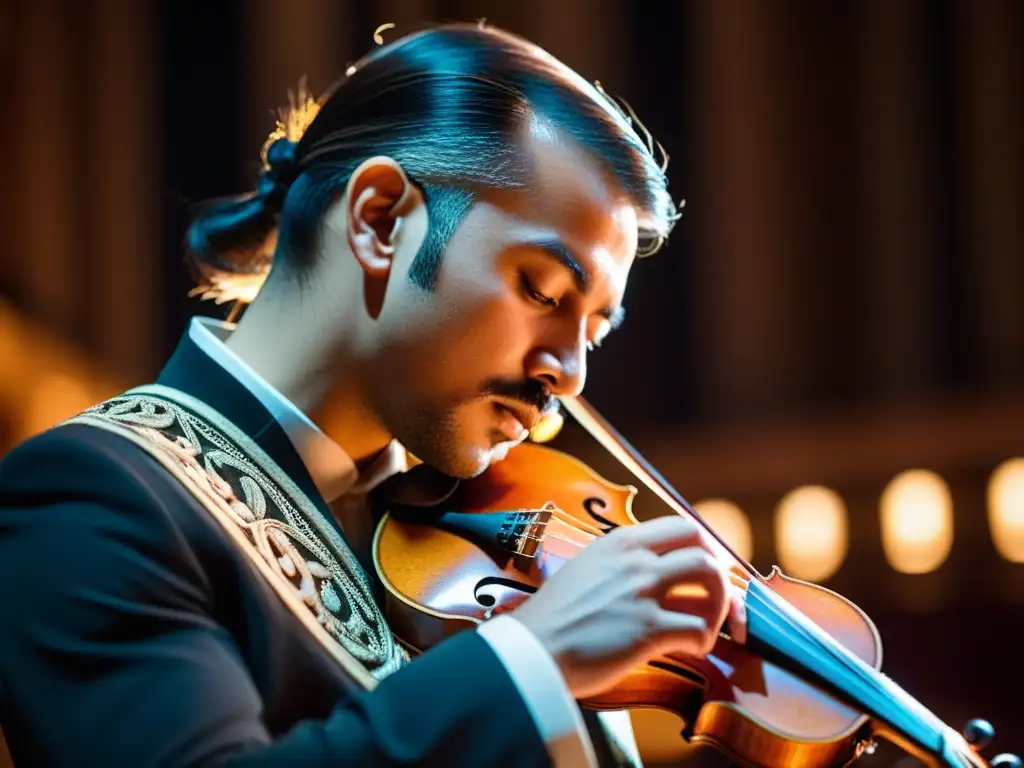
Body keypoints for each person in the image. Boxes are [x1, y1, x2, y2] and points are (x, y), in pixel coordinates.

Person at [0, 23, 745, 767]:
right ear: (380, 220)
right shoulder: (91, 498)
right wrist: (530, 659)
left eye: (594, 333)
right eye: (542, 290)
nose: (570, 375)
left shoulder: (470, 541)